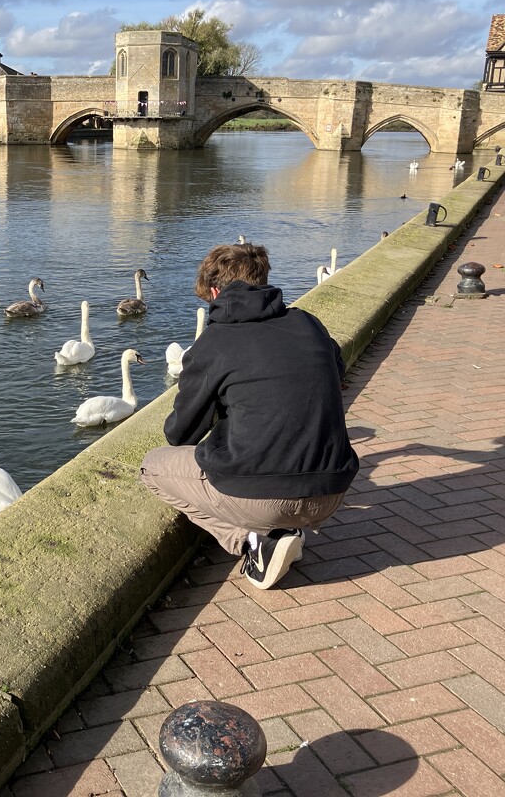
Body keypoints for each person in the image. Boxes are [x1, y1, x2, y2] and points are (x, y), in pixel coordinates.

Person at [140, 243, 359, 589]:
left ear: (215, 292)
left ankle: (253, 541)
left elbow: (180, 434)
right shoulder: (309, 323)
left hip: (267, 500)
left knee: (152, 466)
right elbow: (334, 370)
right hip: (332, 492)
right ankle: (284, 529)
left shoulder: (215, 341)